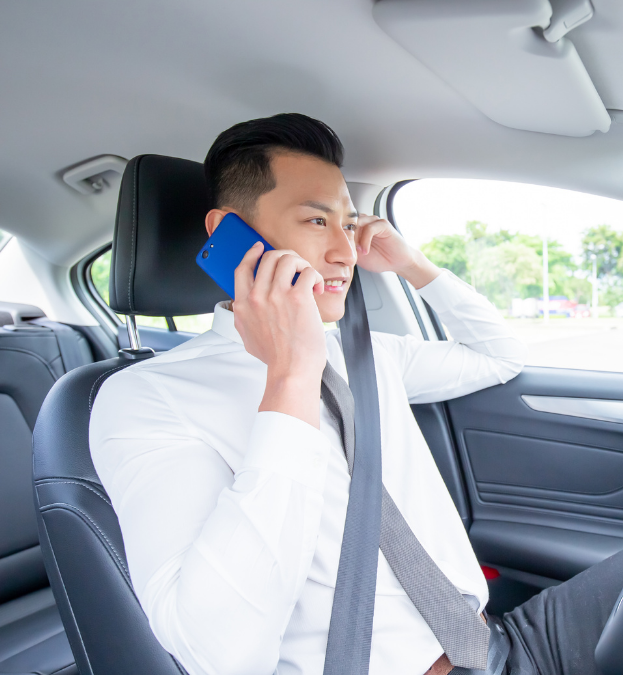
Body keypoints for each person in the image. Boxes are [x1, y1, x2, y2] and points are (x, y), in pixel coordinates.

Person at [89, 114, 623, 675]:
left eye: (349, 224)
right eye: (317, 221)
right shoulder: (147, 399)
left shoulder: (369, 356)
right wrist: (290, 377)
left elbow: (499, 356)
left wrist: (413, 266)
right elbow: (221, 652)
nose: (345, 252)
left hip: (499, 644)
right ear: (228, 232)